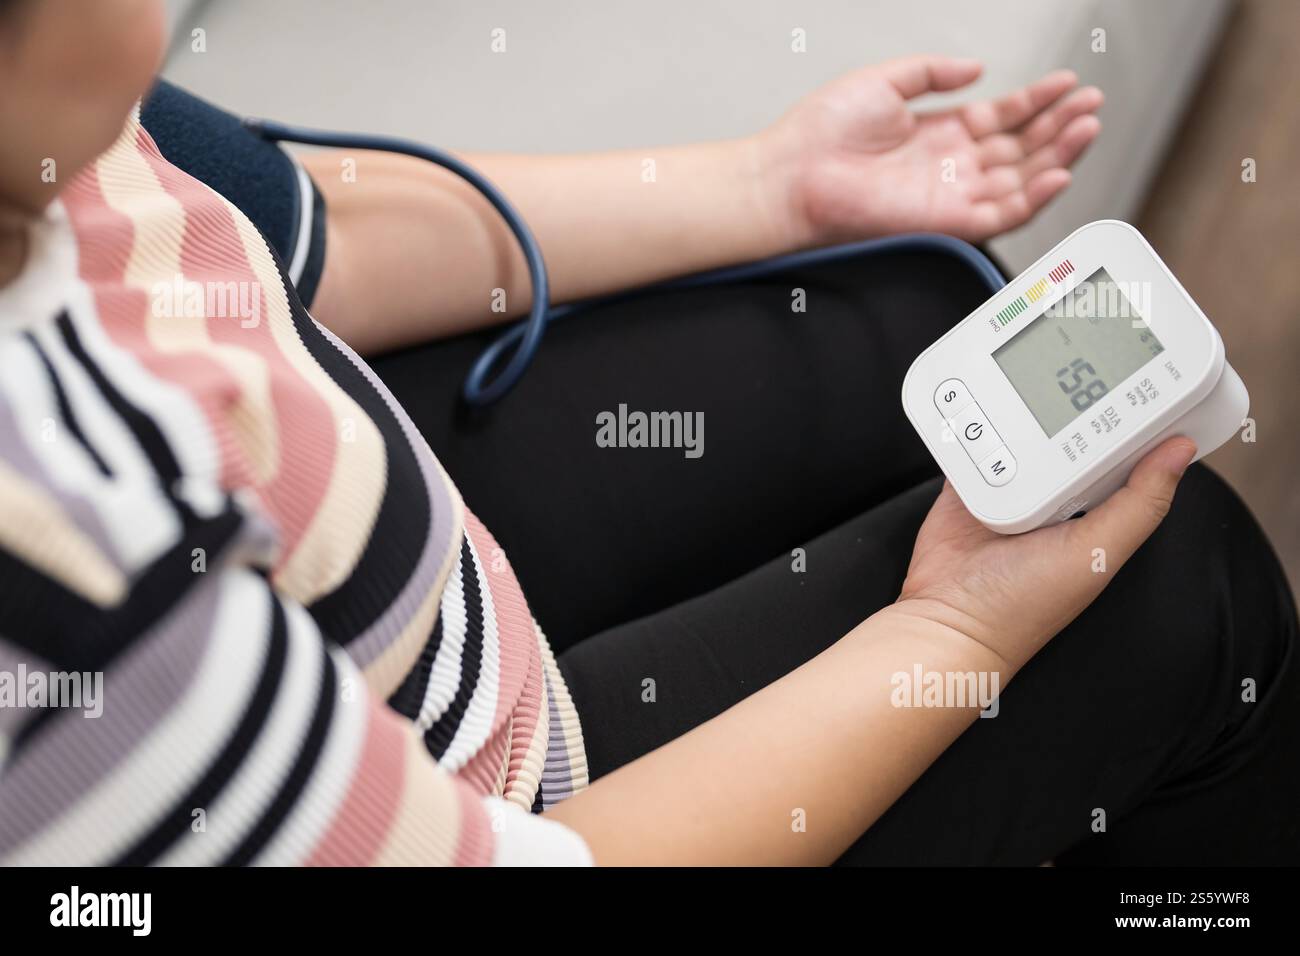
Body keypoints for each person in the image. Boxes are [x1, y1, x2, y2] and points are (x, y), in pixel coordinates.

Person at [0, 0, 1295, 866]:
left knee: (910, 299)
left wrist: (773, 188)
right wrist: (949, 633)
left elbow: (285, 238)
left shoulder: (47, 147)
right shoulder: (67, 605)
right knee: (1182, 589)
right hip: (501, 813)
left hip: (379, 563)